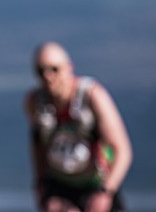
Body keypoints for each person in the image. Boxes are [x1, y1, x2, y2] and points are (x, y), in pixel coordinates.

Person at [25, 42, 132, 212]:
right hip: (60, 184)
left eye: (54, 69)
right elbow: (37, 144)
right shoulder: (35, 102)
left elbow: (122, 150)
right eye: (41, 71)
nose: (48, 76)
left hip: (96, 183)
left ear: (69, 67)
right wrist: (40, 186)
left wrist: (106, 191)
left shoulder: (92, 96)